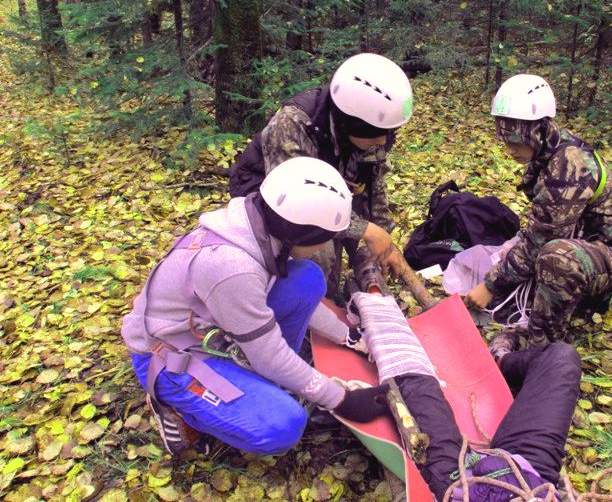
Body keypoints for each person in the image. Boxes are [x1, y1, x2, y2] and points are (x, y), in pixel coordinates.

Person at [121, 157, 389, 456]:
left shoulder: (262, 225)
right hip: (170, 354)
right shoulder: (233, 267)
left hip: (211, 324)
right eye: (321, 240)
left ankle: (258, 385)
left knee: (308, 279)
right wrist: (341, 399)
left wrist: (348, 336)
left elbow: (296, 302)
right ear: (300, 234)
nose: (321, 248)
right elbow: (269, 356)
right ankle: (177, 408)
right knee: (281, 426)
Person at [464, 74, 612, 352]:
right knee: (526, 252)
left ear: (538, 131)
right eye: (505, 139)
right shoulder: (549, 150)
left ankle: (540, 347)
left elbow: (541, 242)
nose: (510, 150)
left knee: (554, 258)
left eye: (517, 140)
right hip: (584, 242)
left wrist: (490, 286)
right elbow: (540, 226)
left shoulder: (568, 165)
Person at [348, 291, 581, 501]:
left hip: (462, 486)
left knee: (414, 382)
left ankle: (376, 307)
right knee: (561, 357)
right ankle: (502, 360)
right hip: (532, 474)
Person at [228, 53, 413, 299]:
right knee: (319, 254)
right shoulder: (293, 123)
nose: (382, 141)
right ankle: (300, 309)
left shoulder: (373, 135)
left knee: (346, 261)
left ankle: (335, 303)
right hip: (276, 199)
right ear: (350, 123)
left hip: (332, 190)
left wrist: (384, 238)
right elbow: (301, 205)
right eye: (376, 133)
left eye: (388, 133)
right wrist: (366, 230)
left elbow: (373, 186)